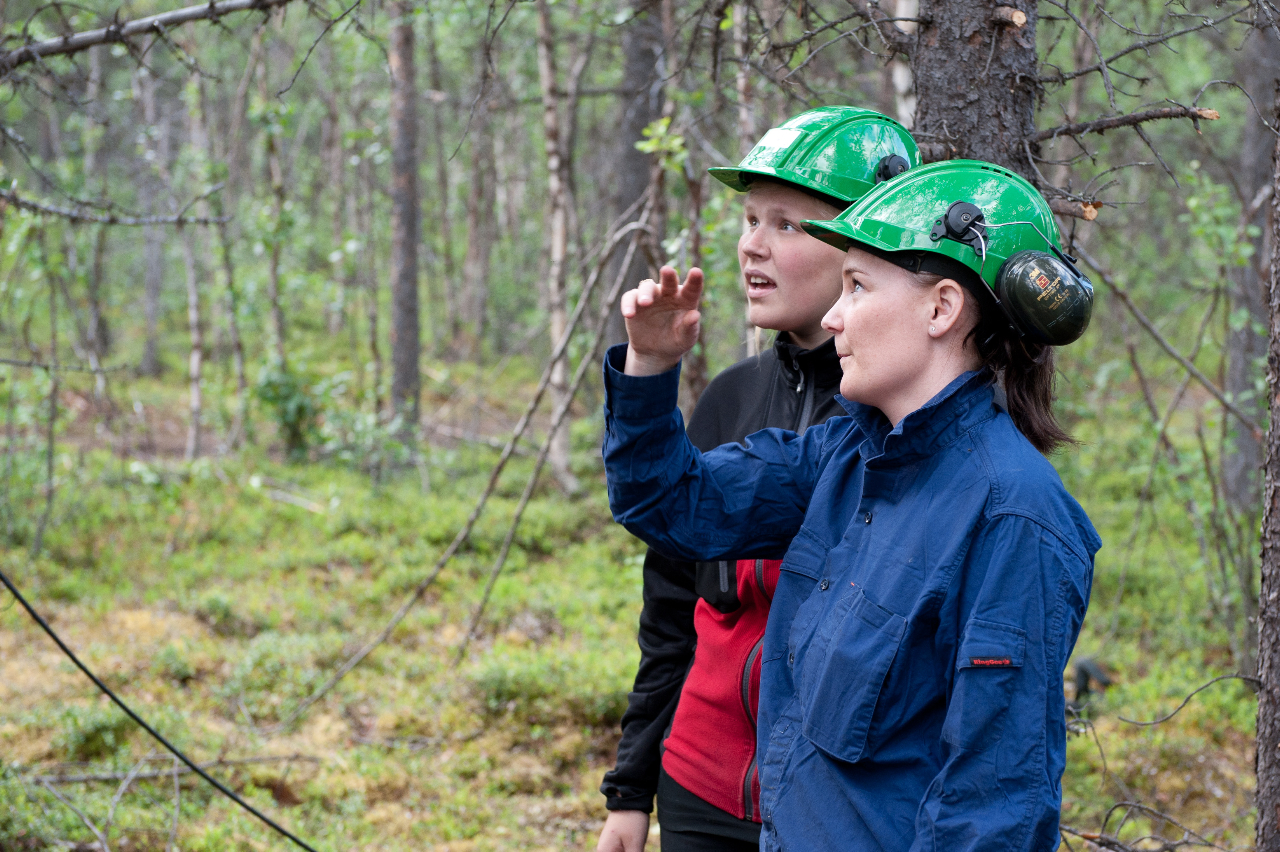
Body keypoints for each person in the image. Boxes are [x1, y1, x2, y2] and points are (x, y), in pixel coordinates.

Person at [600, 159, 1100, 851]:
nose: (833, 317)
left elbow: (991, 811)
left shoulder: (1015, 520)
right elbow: (672, 506)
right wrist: (650, 368)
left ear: (941, 308)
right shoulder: (846, 457)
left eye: (857, 286)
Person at [596, 107, 920, 852]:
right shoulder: (729, 399)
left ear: (865, 242)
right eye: (748, 219)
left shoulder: (905, 416)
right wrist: (630, 789)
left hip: (838, 807)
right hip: (700, 790)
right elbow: (672, 609)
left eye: (788, 224)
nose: (751, 246)